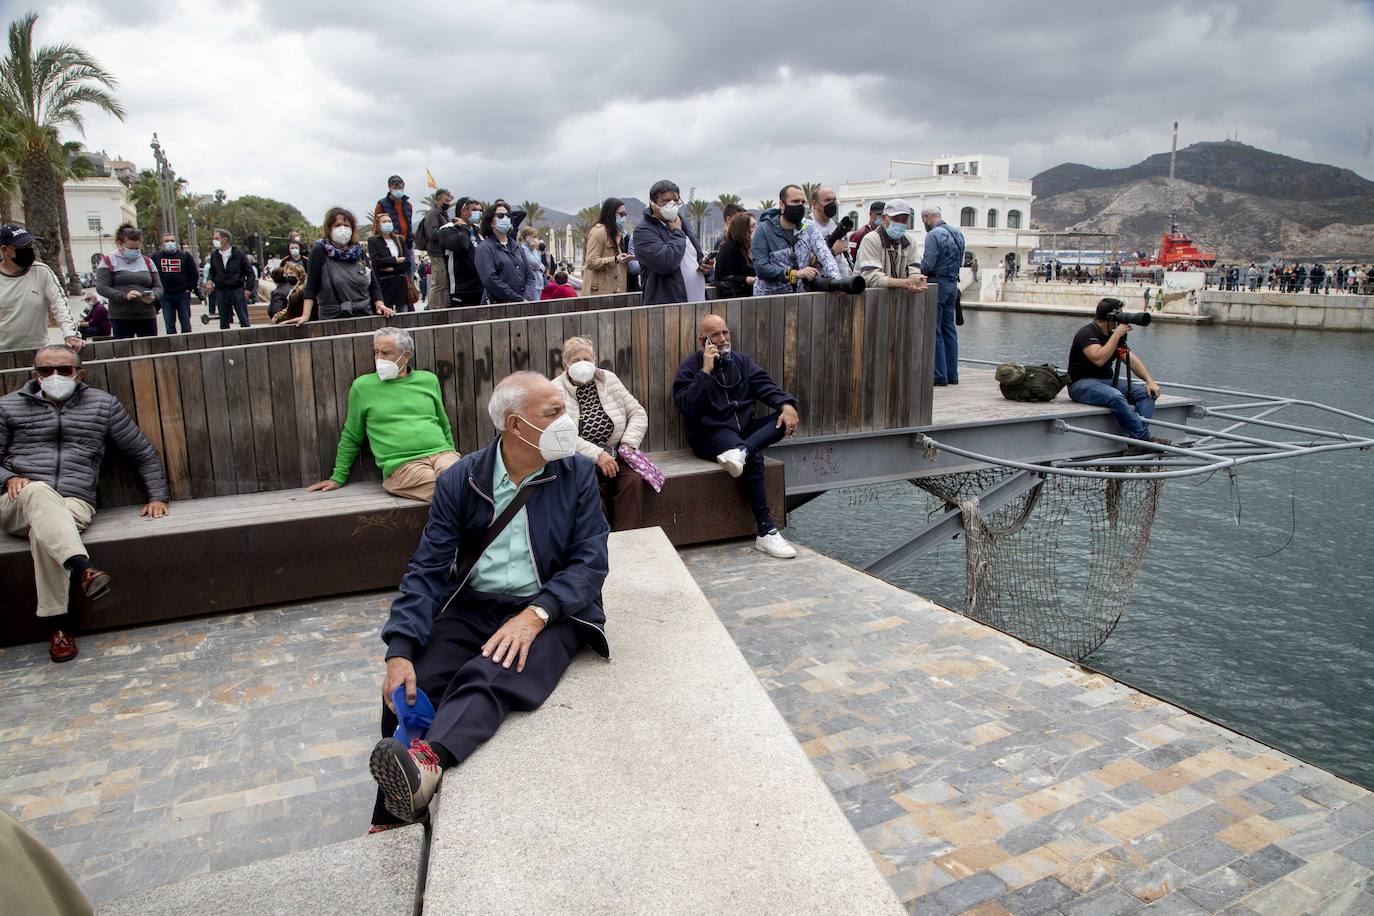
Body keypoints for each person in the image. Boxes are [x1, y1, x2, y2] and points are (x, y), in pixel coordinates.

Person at [366, 371, 609, 829]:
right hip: (474, 603)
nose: (567, 421)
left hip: (550, 608)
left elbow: (589, 562)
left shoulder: (576, 473)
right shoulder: (462, 480)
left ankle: (428, 762)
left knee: (493, 671)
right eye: (553, 413)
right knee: (411, 682)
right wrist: (398, 650)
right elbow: (428, 568)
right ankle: (395, 812)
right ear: (516, 426)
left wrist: (536, 615)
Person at [0, 345, 169, 662]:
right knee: (37, 491)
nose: (54, 376)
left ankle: (59, 628)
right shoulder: (8, 407)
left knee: (44, 532)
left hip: (74, 502)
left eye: (63, 370)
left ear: (79, 374)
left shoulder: (102, 405)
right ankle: (84, 568)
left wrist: (157, 496)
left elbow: (142, 452)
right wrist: (8, 478)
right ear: (34, 374)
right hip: (16, 502)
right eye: (45, 371)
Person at [673, 313, 799, 559]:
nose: (722, 339)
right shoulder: (691, 368)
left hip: (742, 431)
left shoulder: (742, 362)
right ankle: (766, 531)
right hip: (710, 434)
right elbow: (688, 408)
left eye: (725, 332)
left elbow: (765, 386)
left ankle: (742, 451)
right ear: (703, 340)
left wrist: (786, 405)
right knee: (755, 459)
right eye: (715, 335)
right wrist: (705, 373)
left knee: (783, 420)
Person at [306, 327, 459, 503]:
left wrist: (451, 453)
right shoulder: (362, 387)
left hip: (442, 454)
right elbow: (352, 435)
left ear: (406, 355)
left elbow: (443, 424)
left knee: (462, 481)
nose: (378, 358)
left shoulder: (428, 380)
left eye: (385, 353)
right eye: (376, 352)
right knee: (450, 490)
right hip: (403, 465)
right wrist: (337, 477)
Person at [553, 336, 647, 530]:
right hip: (578, 459)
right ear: (565, 365)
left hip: (616, 453)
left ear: (594, 360)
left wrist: (628, 444)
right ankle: (601, 541)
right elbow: (560, 433)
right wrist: (596, 455)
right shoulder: (555, 390)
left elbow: (637, 412)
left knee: (632, 481)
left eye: (587, 359)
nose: (583, 364)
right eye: (576, 360)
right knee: (590, 488)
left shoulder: (608, 379)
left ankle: (629, 540)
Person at [1067, 299, 1164, 448]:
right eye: (1119, 315)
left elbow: (1132, 361)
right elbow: (1098, 359)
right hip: (1081, 384)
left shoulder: (1113, 336)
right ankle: (1142, 439)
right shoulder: (1087, 333)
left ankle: (1137, 439)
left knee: (1146, 393)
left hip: (1106, 381)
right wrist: (1116, 335)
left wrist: (1150, 381)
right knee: (1115, 396)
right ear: (1111, 317)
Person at [288, 208, 394, 323]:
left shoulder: (358, 252)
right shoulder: (319, 251)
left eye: (346, 225)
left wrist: (380, 305)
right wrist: (305, 315)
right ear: (329, 229)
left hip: (364, 315)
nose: (342, 228)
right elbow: (311, 286)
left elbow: (373, 284)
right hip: (332, 318)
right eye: (338, 225)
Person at [0, 224, 82, 352]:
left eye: (29, 246)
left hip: (39, 350)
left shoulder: (42, 271)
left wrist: (70, 334)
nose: (28, 250)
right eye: (22, 247)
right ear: (5, 250)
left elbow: (59, 304)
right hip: (3, 352)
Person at [752, 184, 840, 296]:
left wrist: (837, 283)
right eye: (795, 201)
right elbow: (761, 268)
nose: (800, 206)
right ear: (782, 204)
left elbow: (826, 256)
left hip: (798, 298)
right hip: (768, 300)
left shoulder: (809, 227)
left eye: (803, 202)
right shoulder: (763, 230)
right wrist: (795, 274)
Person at [633, 179, 707, 306]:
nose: (672, 205)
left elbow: (695, 256)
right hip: (667, 310)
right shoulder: (643, 231)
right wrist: (677, 232)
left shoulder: (683, 223)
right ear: (653, 204)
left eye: (676, 201)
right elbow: (666, 263)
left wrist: (705, 266)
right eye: (666, 201)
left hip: (697, 303)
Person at [917, 205, 966, 387]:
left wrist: (915, 272)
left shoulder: (933, 235)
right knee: (949, 329)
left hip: (937, 284)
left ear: (927, 217)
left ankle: (939, 375)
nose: (924, 224)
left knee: (934, 329)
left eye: (923, 220)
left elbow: (928, 264)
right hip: (953, 284)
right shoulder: (958, 234)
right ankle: (953, 374)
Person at [94, 224, 161, 339]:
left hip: (146, 315)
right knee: (124, 351)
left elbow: (159, 287)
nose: (134, 251)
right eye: (130, 248)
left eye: (137, 248)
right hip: (121, 317)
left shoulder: (147, 261)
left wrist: (154, 295)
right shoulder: (108, 260)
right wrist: (124, 296)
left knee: (151, 352)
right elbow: (101, 287)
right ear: (120, 244)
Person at [855, 199, 929, 293]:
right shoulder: (870, 240)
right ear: (884, 218)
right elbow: (872, 278)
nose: (900, 223)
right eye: (896, 219)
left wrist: (916, 280)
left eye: (904, 220)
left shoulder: (910, 241)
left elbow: (913, 270)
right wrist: (907, 283)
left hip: (896, 300)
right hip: (867, 299)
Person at [474, 202, 529, 304]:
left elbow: (529, 275)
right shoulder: (485, 248)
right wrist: (516, 298)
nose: (505, 218)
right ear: (490, 222)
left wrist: (526, 297)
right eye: (500, 216)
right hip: (498, 305)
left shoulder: (517, 247)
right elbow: (490, 279)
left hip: (522, 304)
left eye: (508, 215)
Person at [435, 197, 485, 306]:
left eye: (480, 211)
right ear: (463, 211)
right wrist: (463, 227)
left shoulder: (479, 231)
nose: (478, 213)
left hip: (481, 288)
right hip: (460, 290)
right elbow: (462, 245)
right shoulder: (447, 230)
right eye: (474, 210)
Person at [203, 229, 253, 329]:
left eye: (217, 238)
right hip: (221, 289)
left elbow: (249, 272)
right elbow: (212, 271)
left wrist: (248, 289)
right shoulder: (214, 255)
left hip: (237, 288)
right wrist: (209, 280)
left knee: (243, 316)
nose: (214, 241)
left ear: (225, 239)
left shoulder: (238, 254)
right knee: (224, 319)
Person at [582, 198, 630, 296]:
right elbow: (591, 262)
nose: (623, 218)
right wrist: (615, 259)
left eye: (624, 214)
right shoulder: (598, 232)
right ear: (610, 214)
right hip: (600, 292)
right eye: (620, 214)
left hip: (616, 289)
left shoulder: (617, 233)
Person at [416, 189, 454, 310]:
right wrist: (449, 232)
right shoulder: (433, 214)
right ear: (438, 200)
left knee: (443, 284)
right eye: (446, 200)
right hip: (437, 253)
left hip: (444, 253)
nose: (448, 203)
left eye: (449, 201)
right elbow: (432, 233)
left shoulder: (443, 214)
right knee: (438, 283)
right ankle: (435, 310)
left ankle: (441, 307)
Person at [154, 233, 197, 334]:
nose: (170, 243)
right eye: (167, 241)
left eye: (172, 240)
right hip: (165, 295)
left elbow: (194, 274)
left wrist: (188, 289)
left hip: (182, 294)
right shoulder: (156, 257)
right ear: (162, 244)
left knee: (185, 321)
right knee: (169, 322)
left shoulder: (185, 256)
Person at [368, 216, 412, 313]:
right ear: (378, 225)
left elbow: (407, 262)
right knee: (387, 312)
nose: (387, 223)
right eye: (384, 221)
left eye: (389, 221)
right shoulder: (373, 241)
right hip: (384, 284)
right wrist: (396, 260)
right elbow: (377, 262)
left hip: (400, 282)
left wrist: (392, 268)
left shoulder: (400, 239)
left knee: (403, 312)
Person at [809, 186, 852, 278]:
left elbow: (847, 256)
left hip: (843, 284)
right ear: (815, 204)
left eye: (834, 200)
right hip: (821, 285)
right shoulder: (807, 227)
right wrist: (832, 252)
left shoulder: (838, 226)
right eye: (827, 200)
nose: (832, 204)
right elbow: (805, 263)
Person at [373, 175, 413, 271]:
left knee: (409, 275)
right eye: (395, 188)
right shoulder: (381, 204)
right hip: (390, 245)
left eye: (400, 187)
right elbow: (376, 225)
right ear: (389, 187)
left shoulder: (408, 205)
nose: (398, 190)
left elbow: (409, 225)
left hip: (407, 245)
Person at [713, 211, 756, 298]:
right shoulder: (728, 248)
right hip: (733, 298)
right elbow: (724, 277)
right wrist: (746, 279)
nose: (755, 229)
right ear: (743, 229)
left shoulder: (747, 247)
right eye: (752, 226)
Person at [518, 227, 546, 302]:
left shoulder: (534, 250)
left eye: (536, 237)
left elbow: (543, 267)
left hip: (539, 283)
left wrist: (539, 267)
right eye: (533, 237)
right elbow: (535, 263)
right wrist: (534, 250)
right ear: (527, 237)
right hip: (532, 284)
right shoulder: (524, 249)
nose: (535, 239)